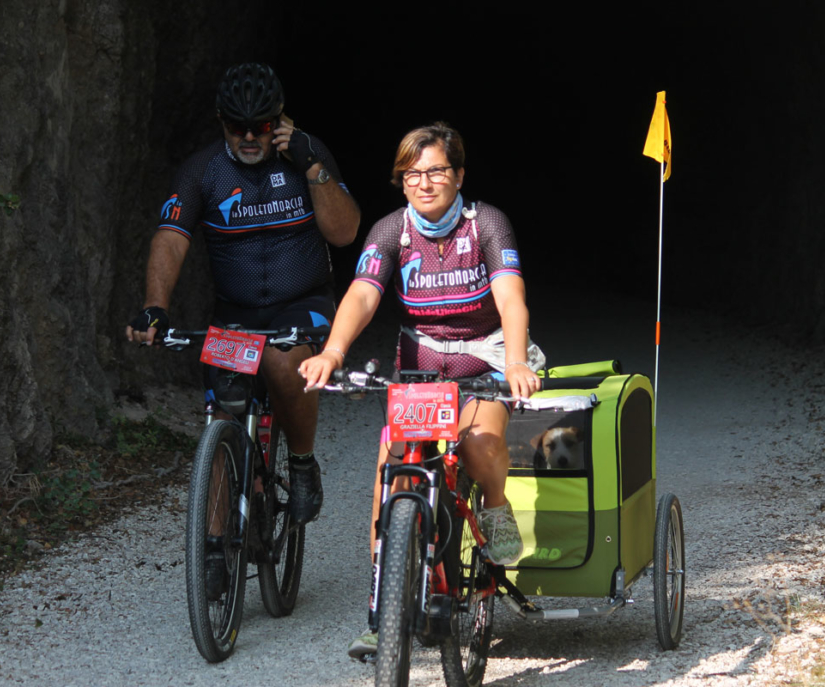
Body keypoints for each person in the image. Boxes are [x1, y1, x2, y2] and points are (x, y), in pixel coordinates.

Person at [298, 122, 542, 658]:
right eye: (412, 172)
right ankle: (380, 613)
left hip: (484, 359)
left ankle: (497, 509)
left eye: (436, 171)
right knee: (392, 476)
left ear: (459, 175)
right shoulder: (390, 231)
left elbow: (511, 297)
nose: (424, 182)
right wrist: (333, 352)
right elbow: (362, 295)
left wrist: (519, 361)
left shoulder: (487, 225)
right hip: (420, 368)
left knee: (479, 447)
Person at [126, 63, 360, 530]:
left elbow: (345, 232)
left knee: (280, 361)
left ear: (281, 119)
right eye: (238, 127)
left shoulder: (308, 154)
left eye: (263, 126)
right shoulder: (203, 170)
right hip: (236, 311)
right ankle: (213, 550)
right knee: (224, 408)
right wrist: (155, 307)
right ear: (220, 120)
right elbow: (170, 239)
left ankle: (301, 464)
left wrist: (310, 162)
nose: (250, 137)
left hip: (304, 302)